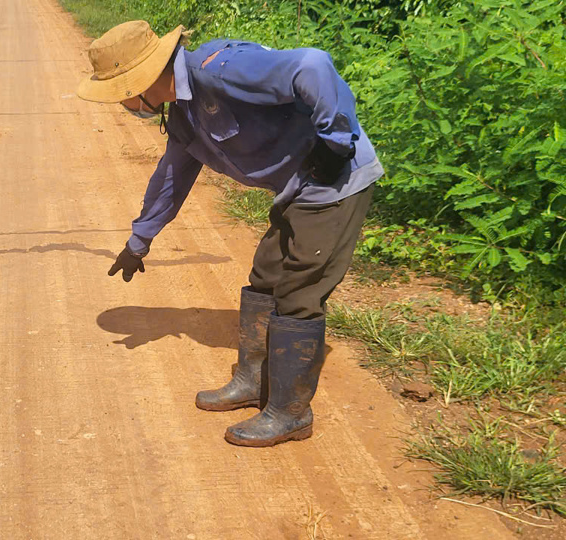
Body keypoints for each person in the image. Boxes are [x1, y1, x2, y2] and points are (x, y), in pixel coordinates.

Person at [77, 21, 383, 446]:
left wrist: (335, 142)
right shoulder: (183, 113)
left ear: (143, 82)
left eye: (121, 94)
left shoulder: (220, 70)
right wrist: (139, 240)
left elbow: (312, 65)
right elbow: (171, 179)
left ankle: (290, 412)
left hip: (336, 181)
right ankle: (253, 382)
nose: (123, 104)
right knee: (266, 278)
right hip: (297, 188)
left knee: (298, 290)